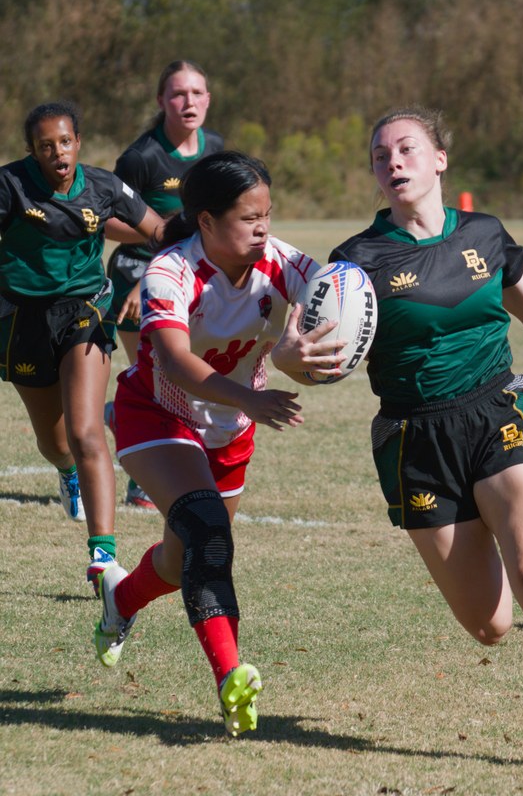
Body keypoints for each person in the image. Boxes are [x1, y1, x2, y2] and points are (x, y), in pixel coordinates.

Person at [324, 106, 523, 778]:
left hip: (497, 412)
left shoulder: (484, 233)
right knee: (490, 624)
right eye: (381, 156)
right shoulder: (357, 263)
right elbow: (317, 353)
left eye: (408, 149)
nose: (395, 163)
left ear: (440, 158)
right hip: (417, 437)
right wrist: (297, 357)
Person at [93, 151, 345, 736]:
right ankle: (232, 679)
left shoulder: (280, 261)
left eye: (268, 215)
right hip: (159, 414)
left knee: (181, 561)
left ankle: (121, 600)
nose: (263, 229)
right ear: (206, 221)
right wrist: (251, 396)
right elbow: (176, 362)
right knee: (209, 537)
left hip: (230, 429)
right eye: (248, 218)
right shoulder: (170, 272)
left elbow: (338, 287)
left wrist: (328, 335)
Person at [0, 101, 163, 594]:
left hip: (84, 311)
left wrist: (204, 243)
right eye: (46, 146)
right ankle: (66, 473)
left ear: (78, 142)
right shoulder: (9, 186)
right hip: (22, 321)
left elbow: (158, 229)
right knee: (55, 443)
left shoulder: (104, 186)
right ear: (33, 151)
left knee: (87, 430)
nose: (57, 153)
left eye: (65, 142)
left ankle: (103, 556)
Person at [104, 60, 224, 509]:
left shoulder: (216, 147)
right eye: (178, 94)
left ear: (208, 99)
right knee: (158, 380)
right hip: (138, 275)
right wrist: (163, 239)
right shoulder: (141, 158)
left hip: (192, 276)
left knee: (184, 375)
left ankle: (117, 415)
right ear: (161, 102)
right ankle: (144, 481)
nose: (188, 102)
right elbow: (108, 222)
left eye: (196, 93)